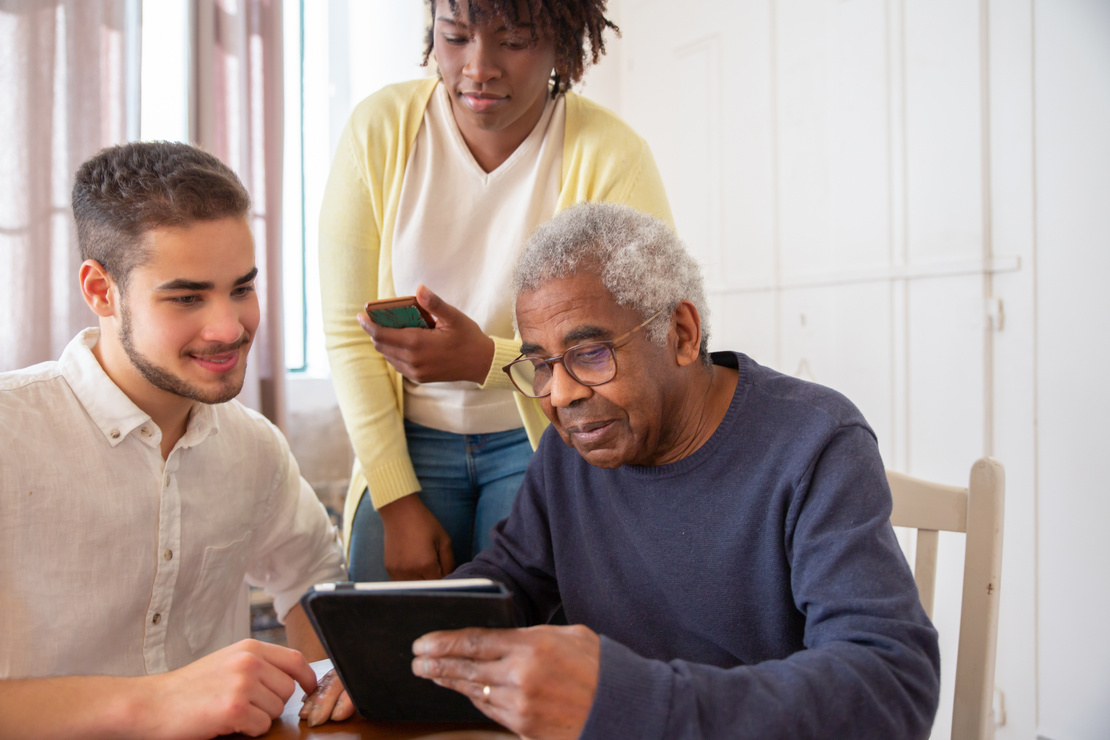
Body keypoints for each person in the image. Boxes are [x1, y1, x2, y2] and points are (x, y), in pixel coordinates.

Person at [401, 202, 941, 738]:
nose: (560, 394)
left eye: (590, 352)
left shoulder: (814, 443)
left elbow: (891, 680)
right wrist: (390, 660)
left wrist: (629, 700)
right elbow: (510, 580)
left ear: (681, 334)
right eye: (542, 364)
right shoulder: (574, 449)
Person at [0, 141, 349, 739]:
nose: (229, 327)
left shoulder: (254, 448)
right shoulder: (12, 436)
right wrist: (156, 702)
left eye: (242, 288)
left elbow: (312, 582)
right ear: (101, 291)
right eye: (187, 297)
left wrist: (333, 689)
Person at [319, 0, 672, 582]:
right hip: (404, 439)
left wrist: (488, 359)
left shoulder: (611, 155)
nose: (478, 68)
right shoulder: (380, 131)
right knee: (382, 654)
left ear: (562, 43)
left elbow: (640, 342)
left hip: (542, 438)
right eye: (455, 37)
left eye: (513, 40)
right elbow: (346, 330)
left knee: (519, 645)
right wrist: (396, 500)